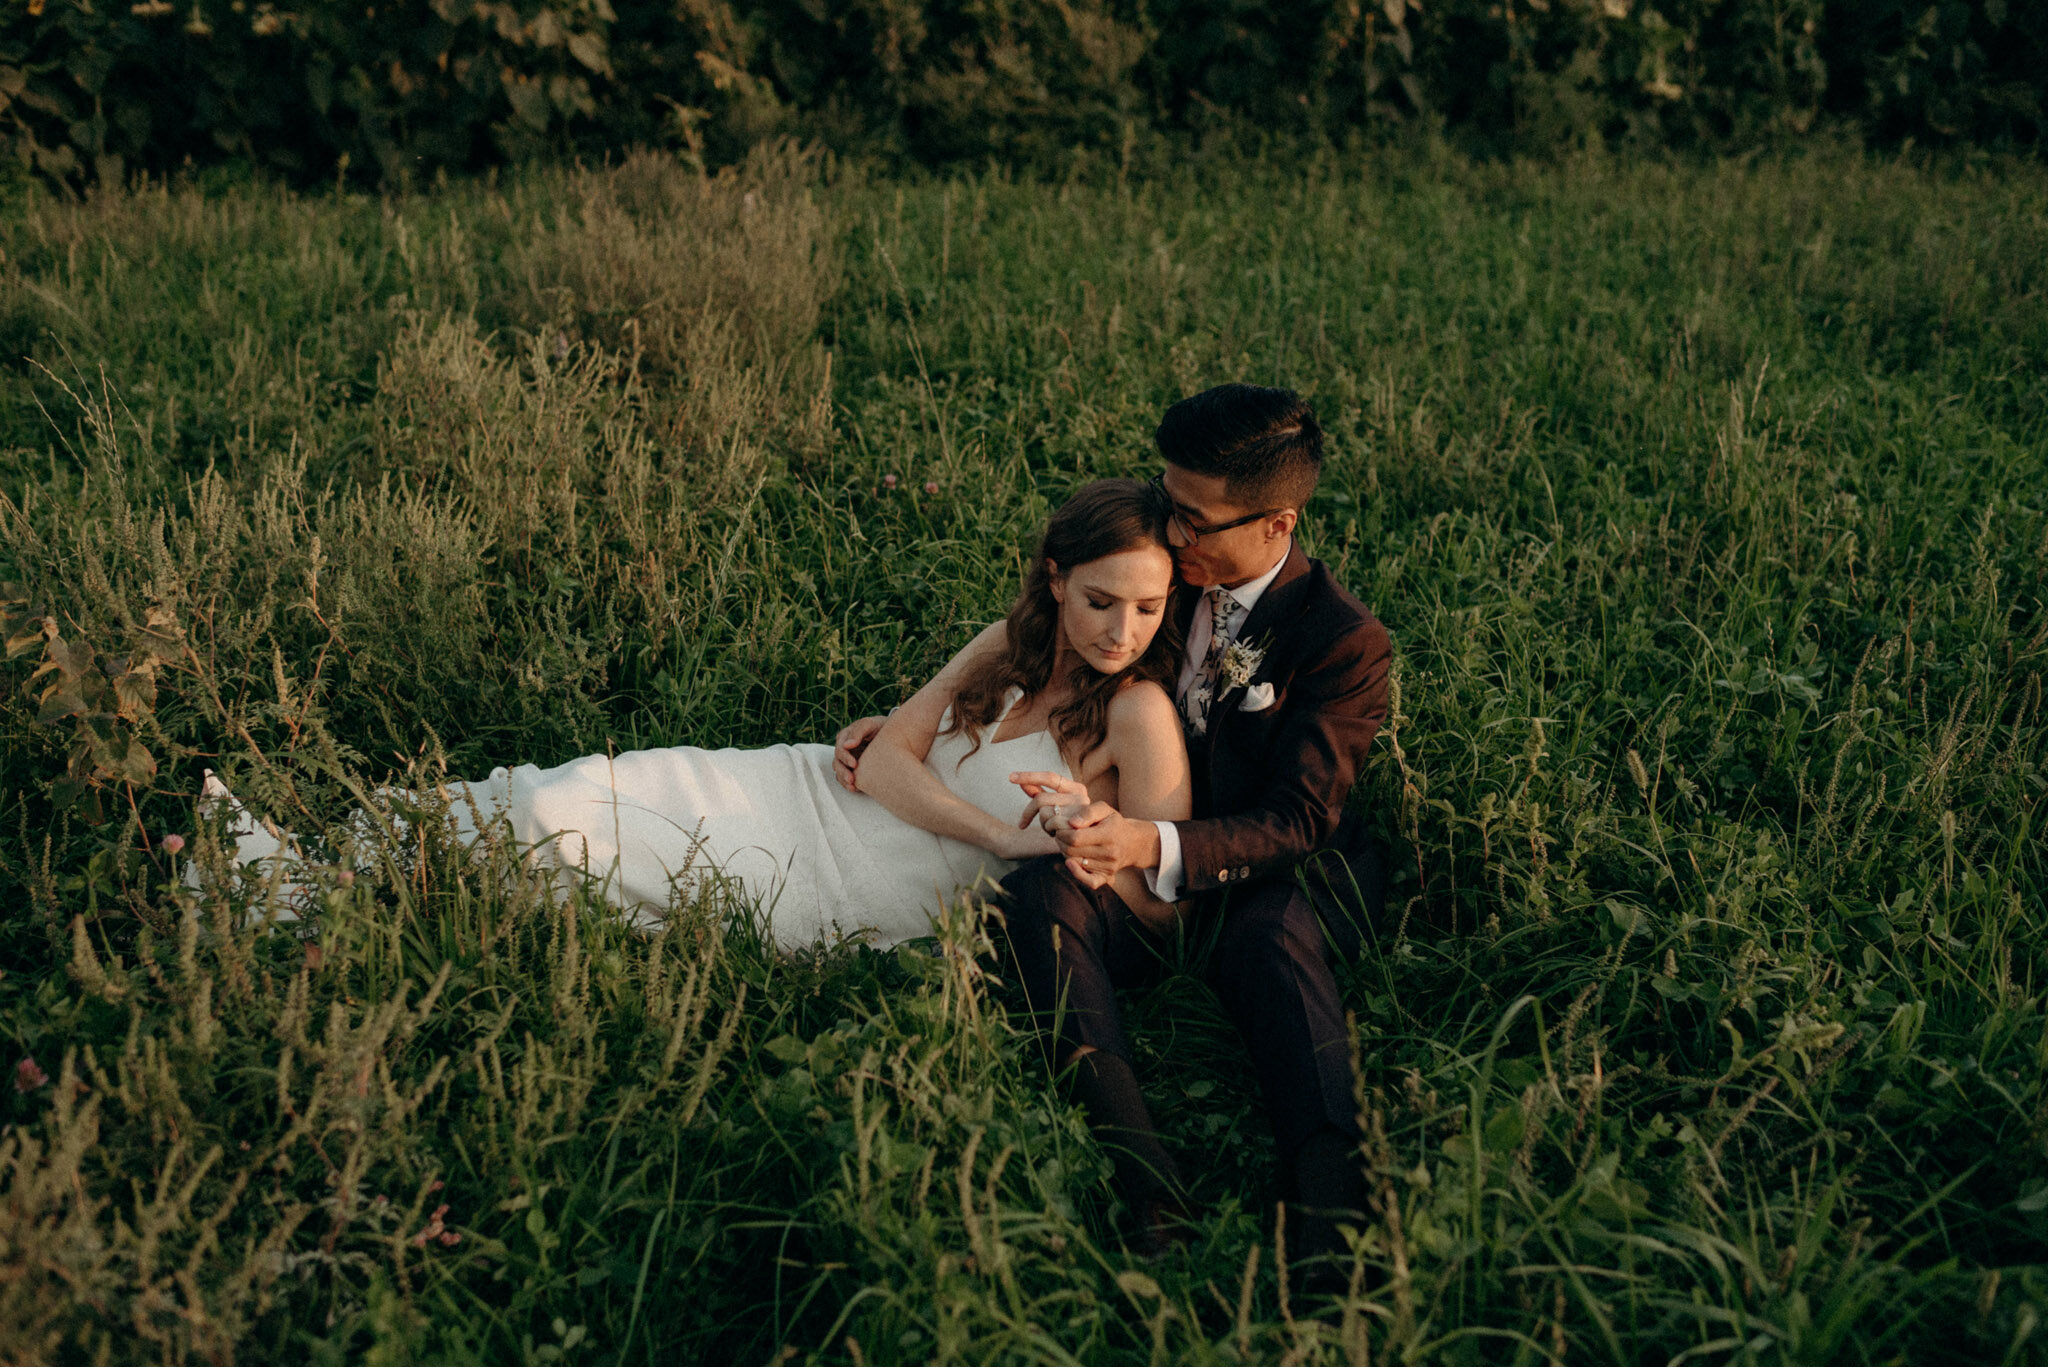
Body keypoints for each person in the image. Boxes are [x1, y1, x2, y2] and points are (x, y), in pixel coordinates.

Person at [837, 385, 1393, 1267]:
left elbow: (1298, 817)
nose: (1173, 536)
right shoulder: (1165, 574)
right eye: (1170, 507)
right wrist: (914, 723)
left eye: (1195, 522)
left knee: (1272, 942)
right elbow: (1055, 639)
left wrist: (1152, 842)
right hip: (1132, 847)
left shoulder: (1341, 639)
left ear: (1277, 526)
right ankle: (1143, 1176)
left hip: (1268, 862)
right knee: (1037, 896)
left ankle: (1332, 1216)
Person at [194, 479, 1194, 951]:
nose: (1123, 629)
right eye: (1101, 599)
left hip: (852, 875)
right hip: (804, 790)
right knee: (578, 785)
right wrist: (995, 833)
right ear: (1055, 580)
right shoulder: (1003, 641)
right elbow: (885, 760)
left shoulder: (1138, 714)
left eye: (1148, 608)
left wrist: (1079, 845)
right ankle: (315, 869)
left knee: (567, 842)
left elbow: (1163, 905)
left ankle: (300, 900)